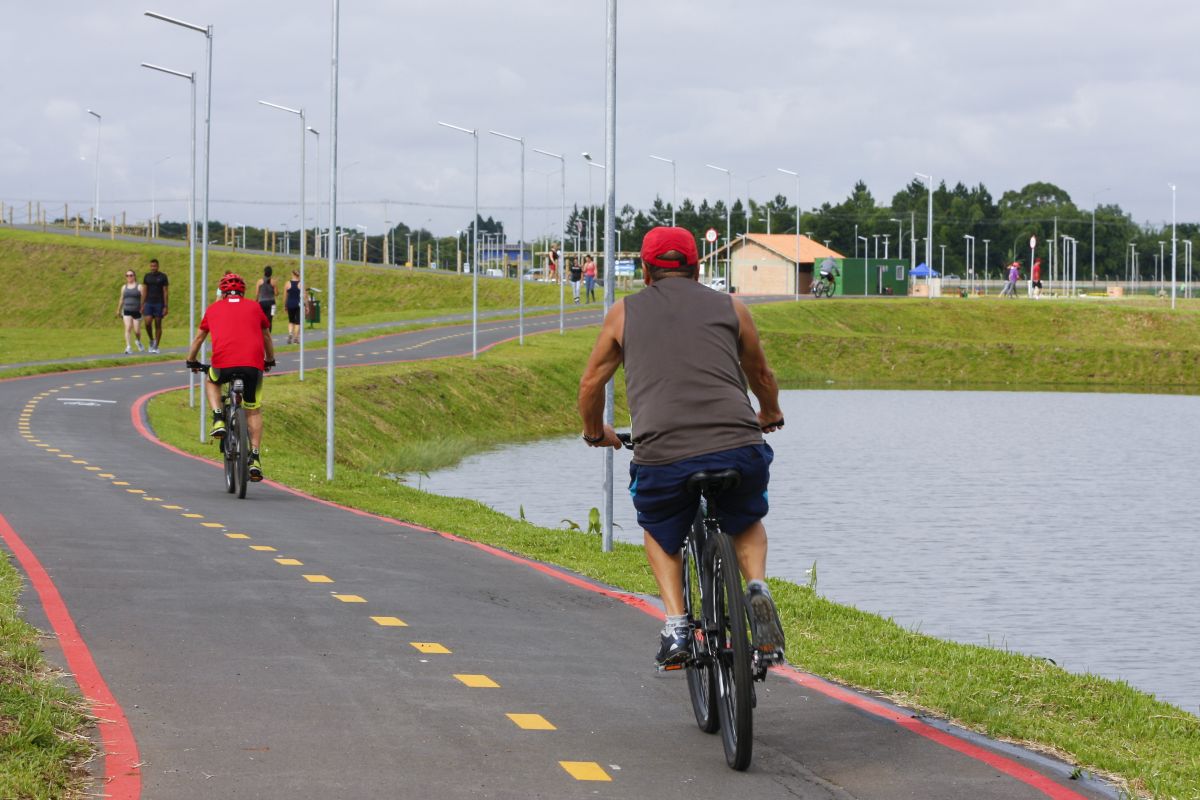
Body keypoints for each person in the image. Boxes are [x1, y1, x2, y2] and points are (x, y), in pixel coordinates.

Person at [578, 226, 786, 669]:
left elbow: (592, 382)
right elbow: (762, 376)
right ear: (696, 268)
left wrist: (596, 431)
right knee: (745, 517)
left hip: (665, 452)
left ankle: (676, 625)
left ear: (646, 271)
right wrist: (768, 413)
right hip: (738, 442)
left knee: (658, 525)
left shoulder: (623, 313)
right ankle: (757, 590)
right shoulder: (732, 307)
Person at [185, 273, 276, 482]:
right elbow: (266, 336)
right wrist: (269, 359)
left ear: (223, 292)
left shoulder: (213, 308)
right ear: (243, 291)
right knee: (253, 409)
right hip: (253, 366)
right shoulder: (255, 307)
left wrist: (191, 359)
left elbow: (200, 337)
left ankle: (218, 418)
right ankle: (254, 458)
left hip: (223, 364)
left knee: (211, 379)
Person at [141, 258, 169, 353]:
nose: (153, 268)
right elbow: (144, 290)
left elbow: (165, 291)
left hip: (159, 303)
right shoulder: (147, 276)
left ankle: (156, 346)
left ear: (158, 266)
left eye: (155, 266)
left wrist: (165, 306)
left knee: (158, 324)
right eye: (152, 266)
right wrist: (142, 304)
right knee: (147, 322)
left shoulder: (163, 276)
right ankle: (151, 340)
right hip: (149, 302)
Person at [116, 270, 146, 354]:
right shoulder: (124, 287)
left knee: (137, 331)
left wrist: (142, 307)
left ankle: (138, 341)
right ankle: (128, 347)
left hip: (137, 310)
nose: (129, 277)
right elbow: (121, 299)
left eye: (131, 275)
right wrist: (118, 309)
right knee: (128, 327)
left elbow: (144, 298)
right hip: (126, 310)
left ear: (134, 276)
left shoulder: (139, 286)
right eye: (127, 275)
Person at [255, 265, 278, 331]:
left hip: (262, 302)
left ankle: (262, 334)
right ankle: (269, 335)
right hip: (272, 303)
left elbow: (257, 294)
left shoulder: (259, 281)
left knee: (262, 319)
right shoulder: (274, 282)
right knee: (270, 319)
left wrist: (256, 301)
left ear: (264, 272)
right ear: (271, 273)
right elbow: (276, 293)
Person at [284, 269, 304, 344]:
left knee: (291, 321)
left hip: (290, 304)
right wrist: (307, 306)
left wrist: (285, 305)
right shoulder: (301, 283)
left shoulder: (287, 283)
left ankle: (290, 334)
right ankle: (296, 338)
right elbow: (304, 296)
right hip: (298, 304)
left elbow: (285, 296)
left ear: (292, 274)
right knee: (298, 322)